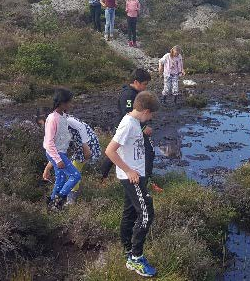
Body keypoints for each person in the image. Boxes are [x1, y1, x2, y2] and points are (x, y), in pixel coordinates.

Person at [105, 91, 160, 278]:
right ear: (145, 110)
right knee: (146, 213)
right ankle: (136, 258)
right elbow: (110, 151)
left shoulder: (135, 122)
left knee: (129, 213)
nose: (151, 117)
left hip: (137, 175)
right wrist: (129, 171)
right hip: (132, 177)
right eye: (151, 114)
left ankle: (128, 251)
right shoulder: (128, 124)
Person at [100, 69, 163, 192]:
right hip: (129, 129)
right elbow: (128, 114)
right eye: (144, 84)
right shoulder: (128, 95)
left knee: (119, 151)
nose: (145, 87)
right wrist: (143, 127)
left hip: (135, 128)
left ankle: (102, 176)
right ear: (136, 82)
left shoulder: (135, 93)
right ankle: (147, 181)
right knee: (147, 152)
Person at [42, 88, 91, 209]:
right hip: (57, 154)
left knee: (61, 178)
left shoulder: (63, 116)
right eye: (69, 102)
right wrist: (58, 159)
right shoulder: (53, 118)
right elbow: (49, 142)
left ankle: (51, 204)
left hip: (60, 152)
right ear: (62, 103)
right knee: (75, 176)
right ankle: (58, 201)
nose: (71, 104)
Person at [41, 114, 100, 204]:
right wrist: (47, 168)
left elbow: (81, 127)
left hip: (87, 146)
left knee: (74, 174)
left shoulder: (67, 121)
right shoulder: (57, 129)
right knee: (68, 174)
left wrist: (85, 146)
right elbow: (58, 152)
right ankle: (56, 201)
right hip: (78, 149)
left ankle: (68, 200)